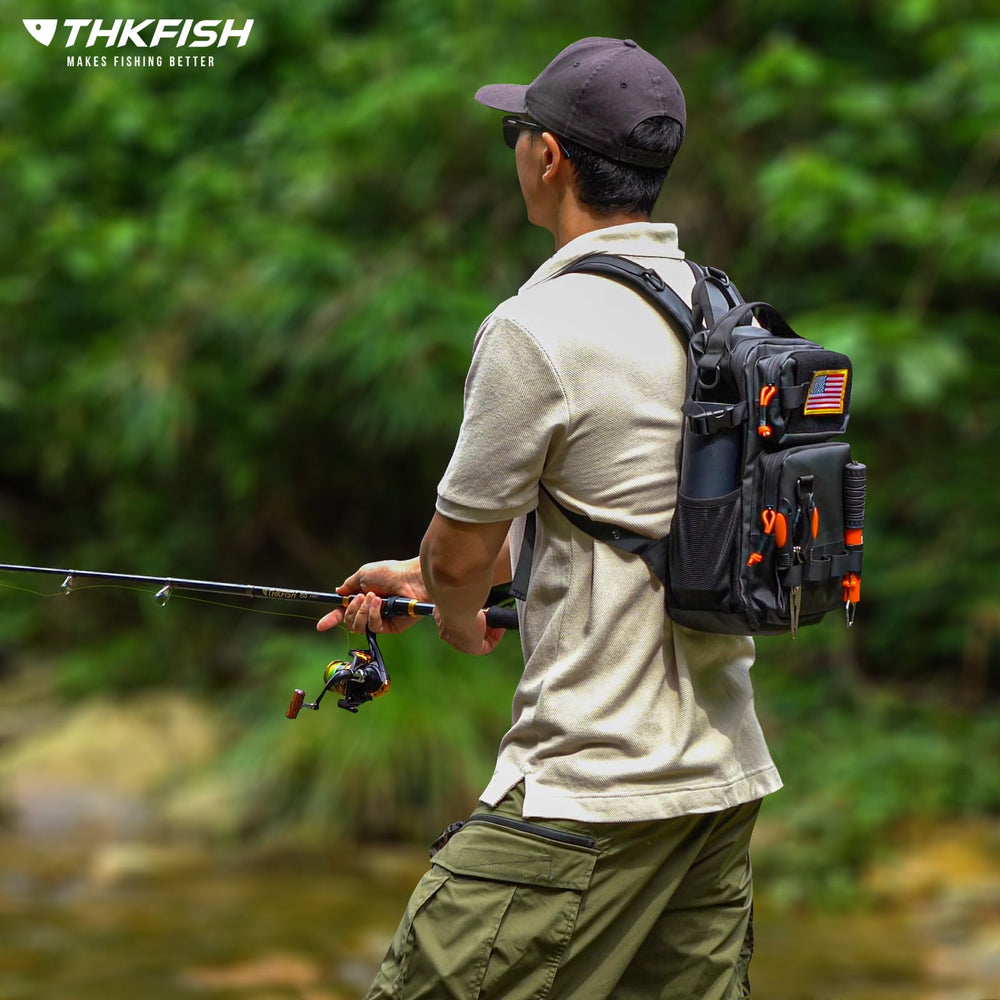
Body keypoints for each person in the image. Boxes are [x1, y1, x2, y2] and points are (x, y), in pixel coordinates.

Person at [317, 36, 782, 1000]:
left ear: (549, 157)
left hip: (588, 789)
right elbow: (624, 514)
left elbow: (464, 553)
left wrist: (448, 607)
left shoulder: (540, 326)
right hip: (717, 784)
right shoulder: (719, 308)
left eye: (517, 132)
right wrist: (433, 575)